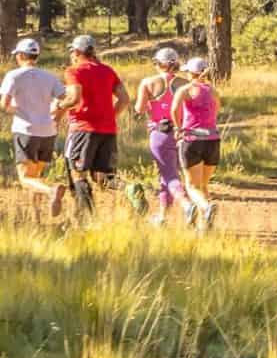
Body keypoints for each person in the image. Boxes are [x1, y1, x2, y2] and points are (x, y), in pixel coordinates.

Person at [60, 35, 131, 217]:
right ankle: (130, 189)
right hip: (108, 131)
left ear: (76, 52)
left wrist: (59, 106)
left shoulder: (74, 71)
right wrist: (109, 116)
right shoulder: (108, 71)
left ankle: (87, 218)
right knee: (104, 178)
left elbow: (75, 97)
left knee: (78, 174)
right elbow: (124, 99)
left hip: (82, 129)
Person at [1, 38, 66, 217]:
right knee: (35, 176)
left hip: (25, 131)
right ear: (36, 56)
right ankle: (36, 216)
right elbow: (65, 99)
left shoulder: (13, 76)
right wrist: (56, 113)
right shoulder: (50, 76)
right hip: (48, 131)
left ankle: (51, 190)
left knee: (25, 178)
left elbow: (3, 104)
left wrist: (17, 109)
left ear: (21, 55)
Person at [136, 48, 188, 226]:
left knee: (168, 175)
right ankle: (163, 215)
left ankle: (187, 206)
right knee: (173, 174)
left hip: (160, 132)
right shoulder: (185, 83)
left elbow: (139, 109)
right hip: (182, 132)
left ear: (157, 63)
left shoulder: (148, 82)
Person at [172, 58, 219, 232]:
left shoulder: (185, 90)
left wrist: (178, 127)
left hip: (192, 140)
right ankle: (204, 227)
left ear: (191, 73)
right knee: (203, 186)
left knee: (192, 186)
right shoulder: (213, 91)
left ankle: (206, 208)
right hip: (213, 140)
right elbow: (217, 110)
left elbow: (174, 109)